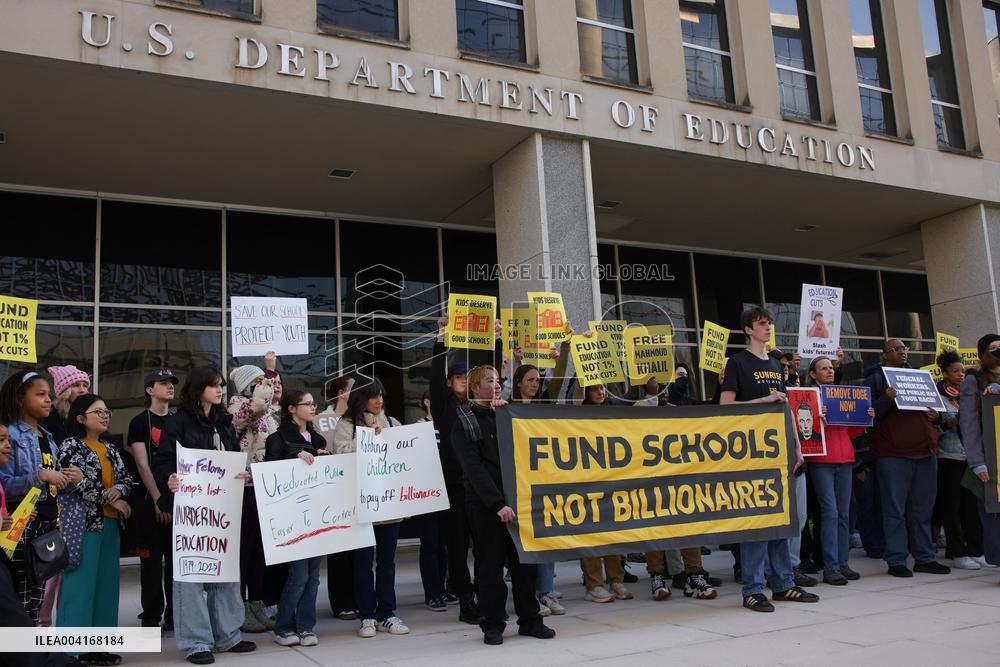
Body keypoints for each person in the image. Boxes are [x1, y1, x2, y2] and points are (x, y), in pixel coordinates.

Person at [152, 366, 256, 665]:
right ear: (198, 389)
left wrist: (242, 474)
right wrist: (169, 478)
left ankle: (228, 635)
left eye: (221, 385)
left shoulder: (224, 421)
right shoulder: (179, 421)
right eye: (213, 385)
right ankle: (196, 642)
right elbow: (163, 461)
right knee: (191, 577)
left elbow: (233, 457)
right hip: (191, 513)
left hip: (223, 509)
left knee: (225, 573)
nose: (220, 390)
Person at [720, 307, 818, 612]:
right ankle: (753, 588)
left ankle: (784, 583)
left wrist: (798, 446)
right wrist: (762, 401)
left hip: (781, 450)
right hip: (751, 451)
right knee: (758, 523)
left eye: (769, 324)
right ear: (748, 329)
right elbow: (725, 406)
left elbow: (786, 408)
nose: (768, 328)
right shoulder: (737, 362)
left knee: (783, 521)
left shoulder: (776, 364)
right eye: (763, 324)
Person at [451, 365, 554, 645]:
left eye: (498, 380)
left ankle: (531, 620)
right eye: (490, 381)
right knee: (490, 567)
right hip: (486, 506)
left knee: (524, 567)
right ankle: (493, 624)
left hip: (516, 501)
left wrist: (506, 414)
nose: (497, 385)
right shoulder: (464, 419)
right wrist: (497, 504)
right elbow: (473, 468)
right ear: (475, 388)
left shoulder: (504, 413)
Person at [57, 393, 134, 666]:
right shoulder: (70, 446)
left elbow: (127, 479)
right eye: (97, 411)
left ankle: (99, 647)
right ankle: (72, 652)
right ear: (80, 418)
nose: (104, 415)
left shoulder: (110, 447)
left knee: (106, 588)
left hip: (110, 525)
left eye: (106, 411)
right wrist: (111, 498)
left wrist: (117, 491)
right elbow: (71, 482)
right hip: (82, 525)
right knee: (80, 587)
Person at [0, 370, 83, 623]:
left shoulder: (47, 437)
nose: (48, 400)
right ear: (19, 399)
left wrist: (71, 478)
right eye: (40, 395)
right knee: (20, 600)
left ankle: (32, 654)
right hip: (19, 528)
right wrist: (41, 475)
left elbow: (54, 484)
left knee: (37, 601)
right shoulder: (11, 435)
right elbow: (4, 483)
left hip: (45, 528)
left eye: (49, 394)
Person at [863, 339, 950, 577]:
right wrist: (887, 398)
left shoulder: (919, 377)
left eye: (904, 349)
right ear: (884, 356)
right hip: (893, 456)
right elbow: (866, 415)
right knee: (894, 511)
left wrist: (935, 416)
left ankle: (924, 557)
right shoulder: (876, 380)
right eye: (895, 349)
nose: (901, 353)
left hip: (925, 452)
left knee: (922, 510)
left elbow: (938, 414)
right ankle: (896, 560)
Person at [332, 377, 409, 638]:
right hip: (360, 506)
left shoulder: (392, 423)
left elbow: (405, 462)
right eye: (374, 396)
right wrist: (367, 440)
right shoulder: (346, 425)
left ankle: (387, 613)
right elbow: (340, 455)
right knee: (362, 563)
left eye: (381, 396)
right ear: (361, 398)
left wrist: (408, 499)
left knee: (387, 562)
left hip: (388, 506)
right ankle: (367, 615)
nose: (379, 401)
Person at [265, 389, 329, 647]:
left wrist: (327, 459)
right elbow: (270, 475)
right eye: (307, 404)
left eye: (314, 404)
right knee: (299, 575)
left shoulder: (318, 438)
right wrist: (294, 458)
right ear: (291, 408)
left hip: (317, 516)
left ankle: (306, 626)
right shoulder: (278, 438)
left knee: (313, 576)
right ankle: (283, 627)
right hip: (292, 519)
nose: (313, 408)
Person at [807, 356, 872, 585]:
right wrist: (818, 418)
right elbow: (803, 427)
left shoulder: (843, 394)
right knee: (830, 512)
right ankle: (830, 566)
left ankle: (842, 562)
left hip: (845, 458)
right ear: (813, 374)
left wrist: (864, 418)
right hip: (821, 460)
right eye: (823, 369)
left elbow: (851, 432)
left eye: (831, 368)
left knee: (844, 514)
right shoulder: (809, 396)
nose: (829, 371)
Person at [227, 355, 281, 634]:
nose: (266, 387)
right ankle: (240, 604)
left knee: (261, 550)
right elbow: (254, 408)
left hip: (266, 486)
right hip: (245, 488)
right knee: (245, 551)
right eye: (258, 382)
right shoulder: (238, 406)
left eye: (266, 383)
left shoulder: (269, 411)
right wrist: (269, 371)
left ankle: (257, 601)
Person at [431, 316, 479, 624]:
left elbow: (493, 376)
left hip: (481, 486)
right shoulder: (443, 408)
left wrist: (496, 339)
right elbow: (436, 376)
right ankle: (465, 599)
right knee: (458, 547)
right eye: (457, 377)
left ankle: (486, 593)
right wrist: (441, 336)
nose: (463, 380)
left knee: (486, 547)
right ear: (450, 382)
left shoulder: (479, 405)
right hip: (454, 487)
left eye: (467, 377)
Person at [37, 364, 90, 627]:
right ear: (63, 389)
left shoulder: (82, 421)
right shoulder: (48, 422)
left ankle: (64, 627)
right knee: (50, 568)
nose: (81, 390)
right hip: (52, 502)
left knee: (67, 568)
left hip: (74, 503)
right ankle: (42, 625)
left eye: (85, 386)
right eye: (77, 385)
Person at [127, 369, 178, 632]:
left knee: (175, 562)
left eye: (171, 383)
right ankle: (151, 615)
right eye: (163, 383)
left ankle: (174, 614)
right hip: (149, 502)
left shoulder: (177, 421)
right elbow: (142, 464)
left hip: (175, 500)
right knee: (150, 563)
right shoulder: (139, 422)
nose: (170, 387)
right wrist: (159, 500)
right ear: (150, 389)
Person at [934, 350, 984, 570]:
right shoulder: (937, 395)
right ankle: (956, 551)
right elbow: (934, 428)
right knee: (951, 505)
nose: (961, 374)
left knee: (971, 505)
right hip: (949, 456)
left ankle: (977, 549)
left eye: (963, 370)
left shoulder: (970, 393)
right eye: (955, 371)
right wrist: (951, 422)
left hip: (971, 457)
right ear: (944, 373)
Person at [319, 376, 360, 621]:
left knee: (359, 549)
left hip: (358, 487)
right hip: (333, 489)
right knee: (338, 551)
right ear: (342, 393)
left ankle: (358, 597)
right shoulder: (321, 419)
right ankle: (341, 601)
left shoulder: (361, 418)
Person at [959, 334, 1000, 569]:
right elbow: (969, 423)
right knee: (993, 514)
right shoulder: (974, 379)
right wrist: (977, 462)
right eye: (992, 348)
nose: (997, 352)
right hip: (990, 457)